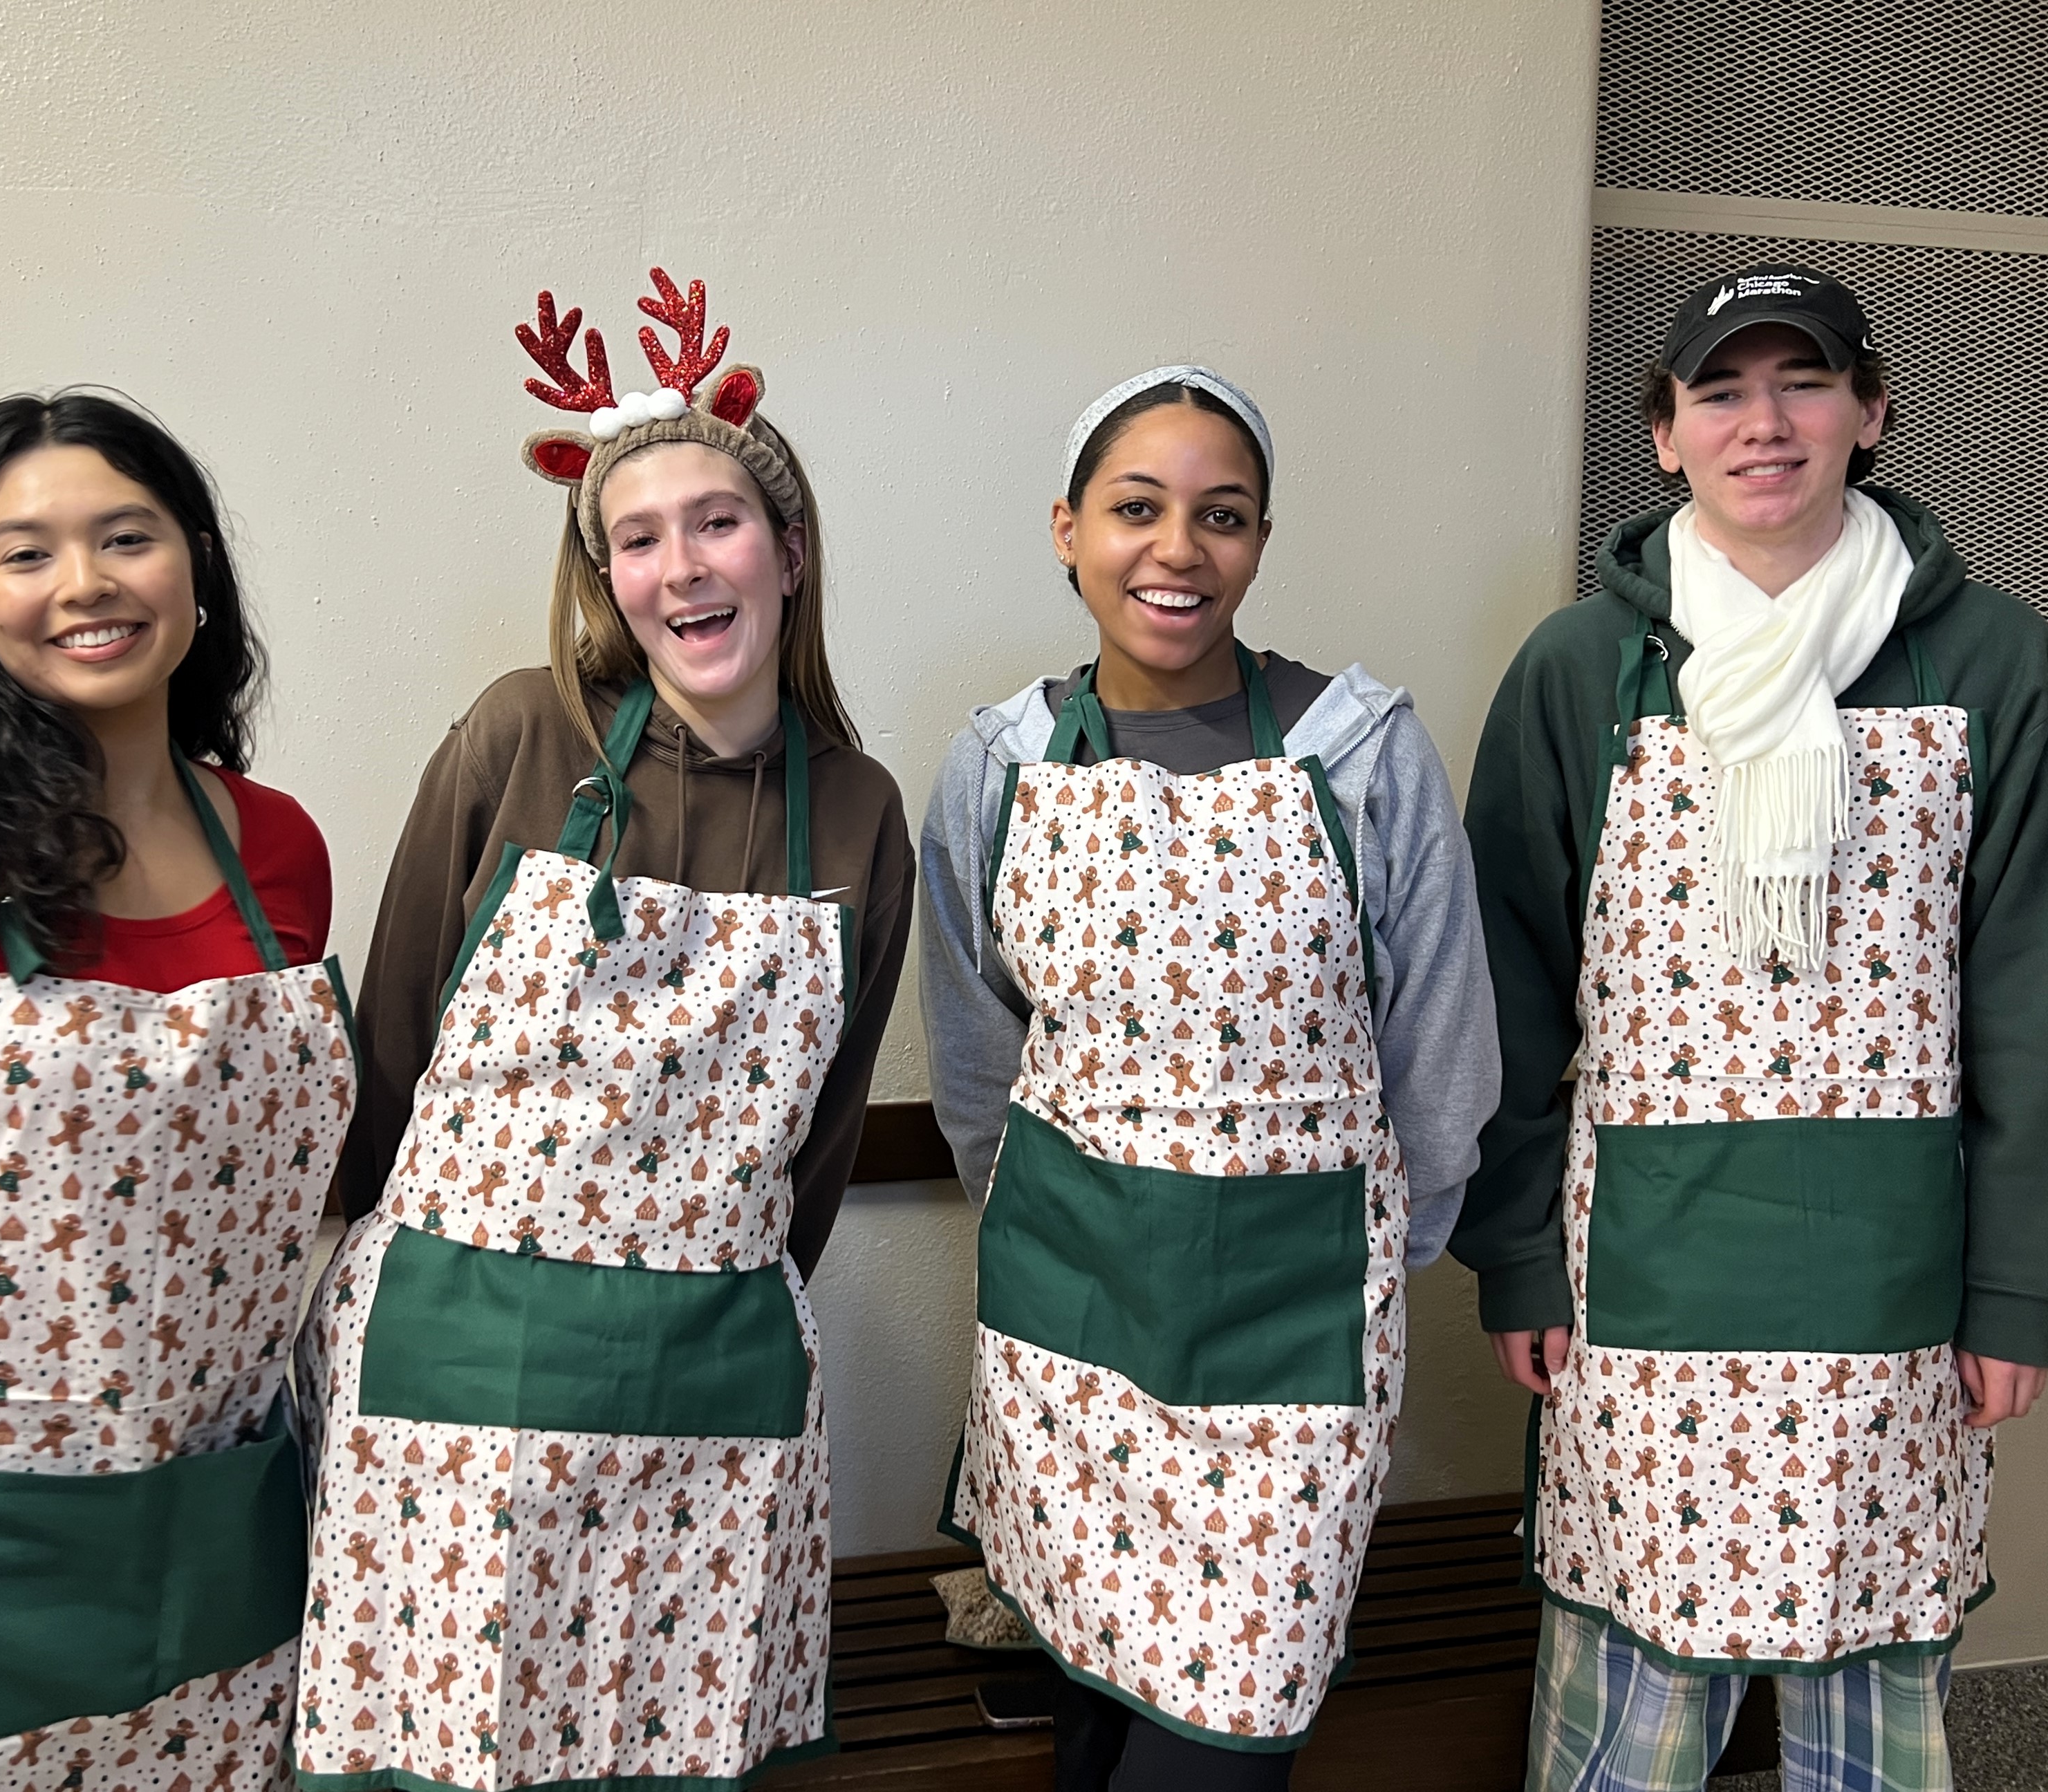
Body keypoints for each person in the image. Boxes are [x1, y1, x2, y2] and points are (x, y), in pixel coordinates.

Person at [291, 270, 913, 1784]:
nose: (681, 567)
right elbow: (393, 1038)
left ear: (790, 551)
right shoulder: (520, 734)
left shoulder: (862, 813)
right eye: (637, 539)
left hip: (711, 1400)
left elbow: (817, 1155)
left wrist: (703, 1302)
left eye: (717, 522)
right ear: (605, 575)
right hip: (459, 1378)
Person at [1455, 265, 2048, 1792]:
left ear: (1873, 413)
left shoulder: (1994, 660)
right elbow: (1506, 993)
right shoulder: (1579, 671)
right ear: (1663, 435)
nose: (1764, 422)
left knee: (1875, 1704)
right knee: (1630, 1711)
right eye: (1720, 390)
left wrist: (2014, 1292)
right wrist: (1519, 1248)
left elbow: (2032, 992)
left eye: (1803, 382)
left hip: (1895, 1281)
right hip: (1637, 1281)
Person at [920, 367, 1499, 1786]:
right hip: (1069, 1329)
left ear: (1259, 539)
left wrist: (1393, 1249)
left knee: (1226, 1733)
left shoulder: (1358, 753)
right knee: (1090, 1720)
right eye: (1137, 509)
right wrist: (1030, 1222)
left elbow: (1441, 1037)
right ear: (1067, 529)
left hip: (1286, 1333)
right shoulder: (999, 766)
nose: (1179, 550)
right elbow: (975, 1044)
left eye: (1222, 516)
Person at [0, 391, 350, 1773]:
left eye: (127, 537)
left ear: (197, 572)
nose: (87, 585)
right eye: (26, 551)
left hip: (209, 1532)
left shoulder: (281, 852)